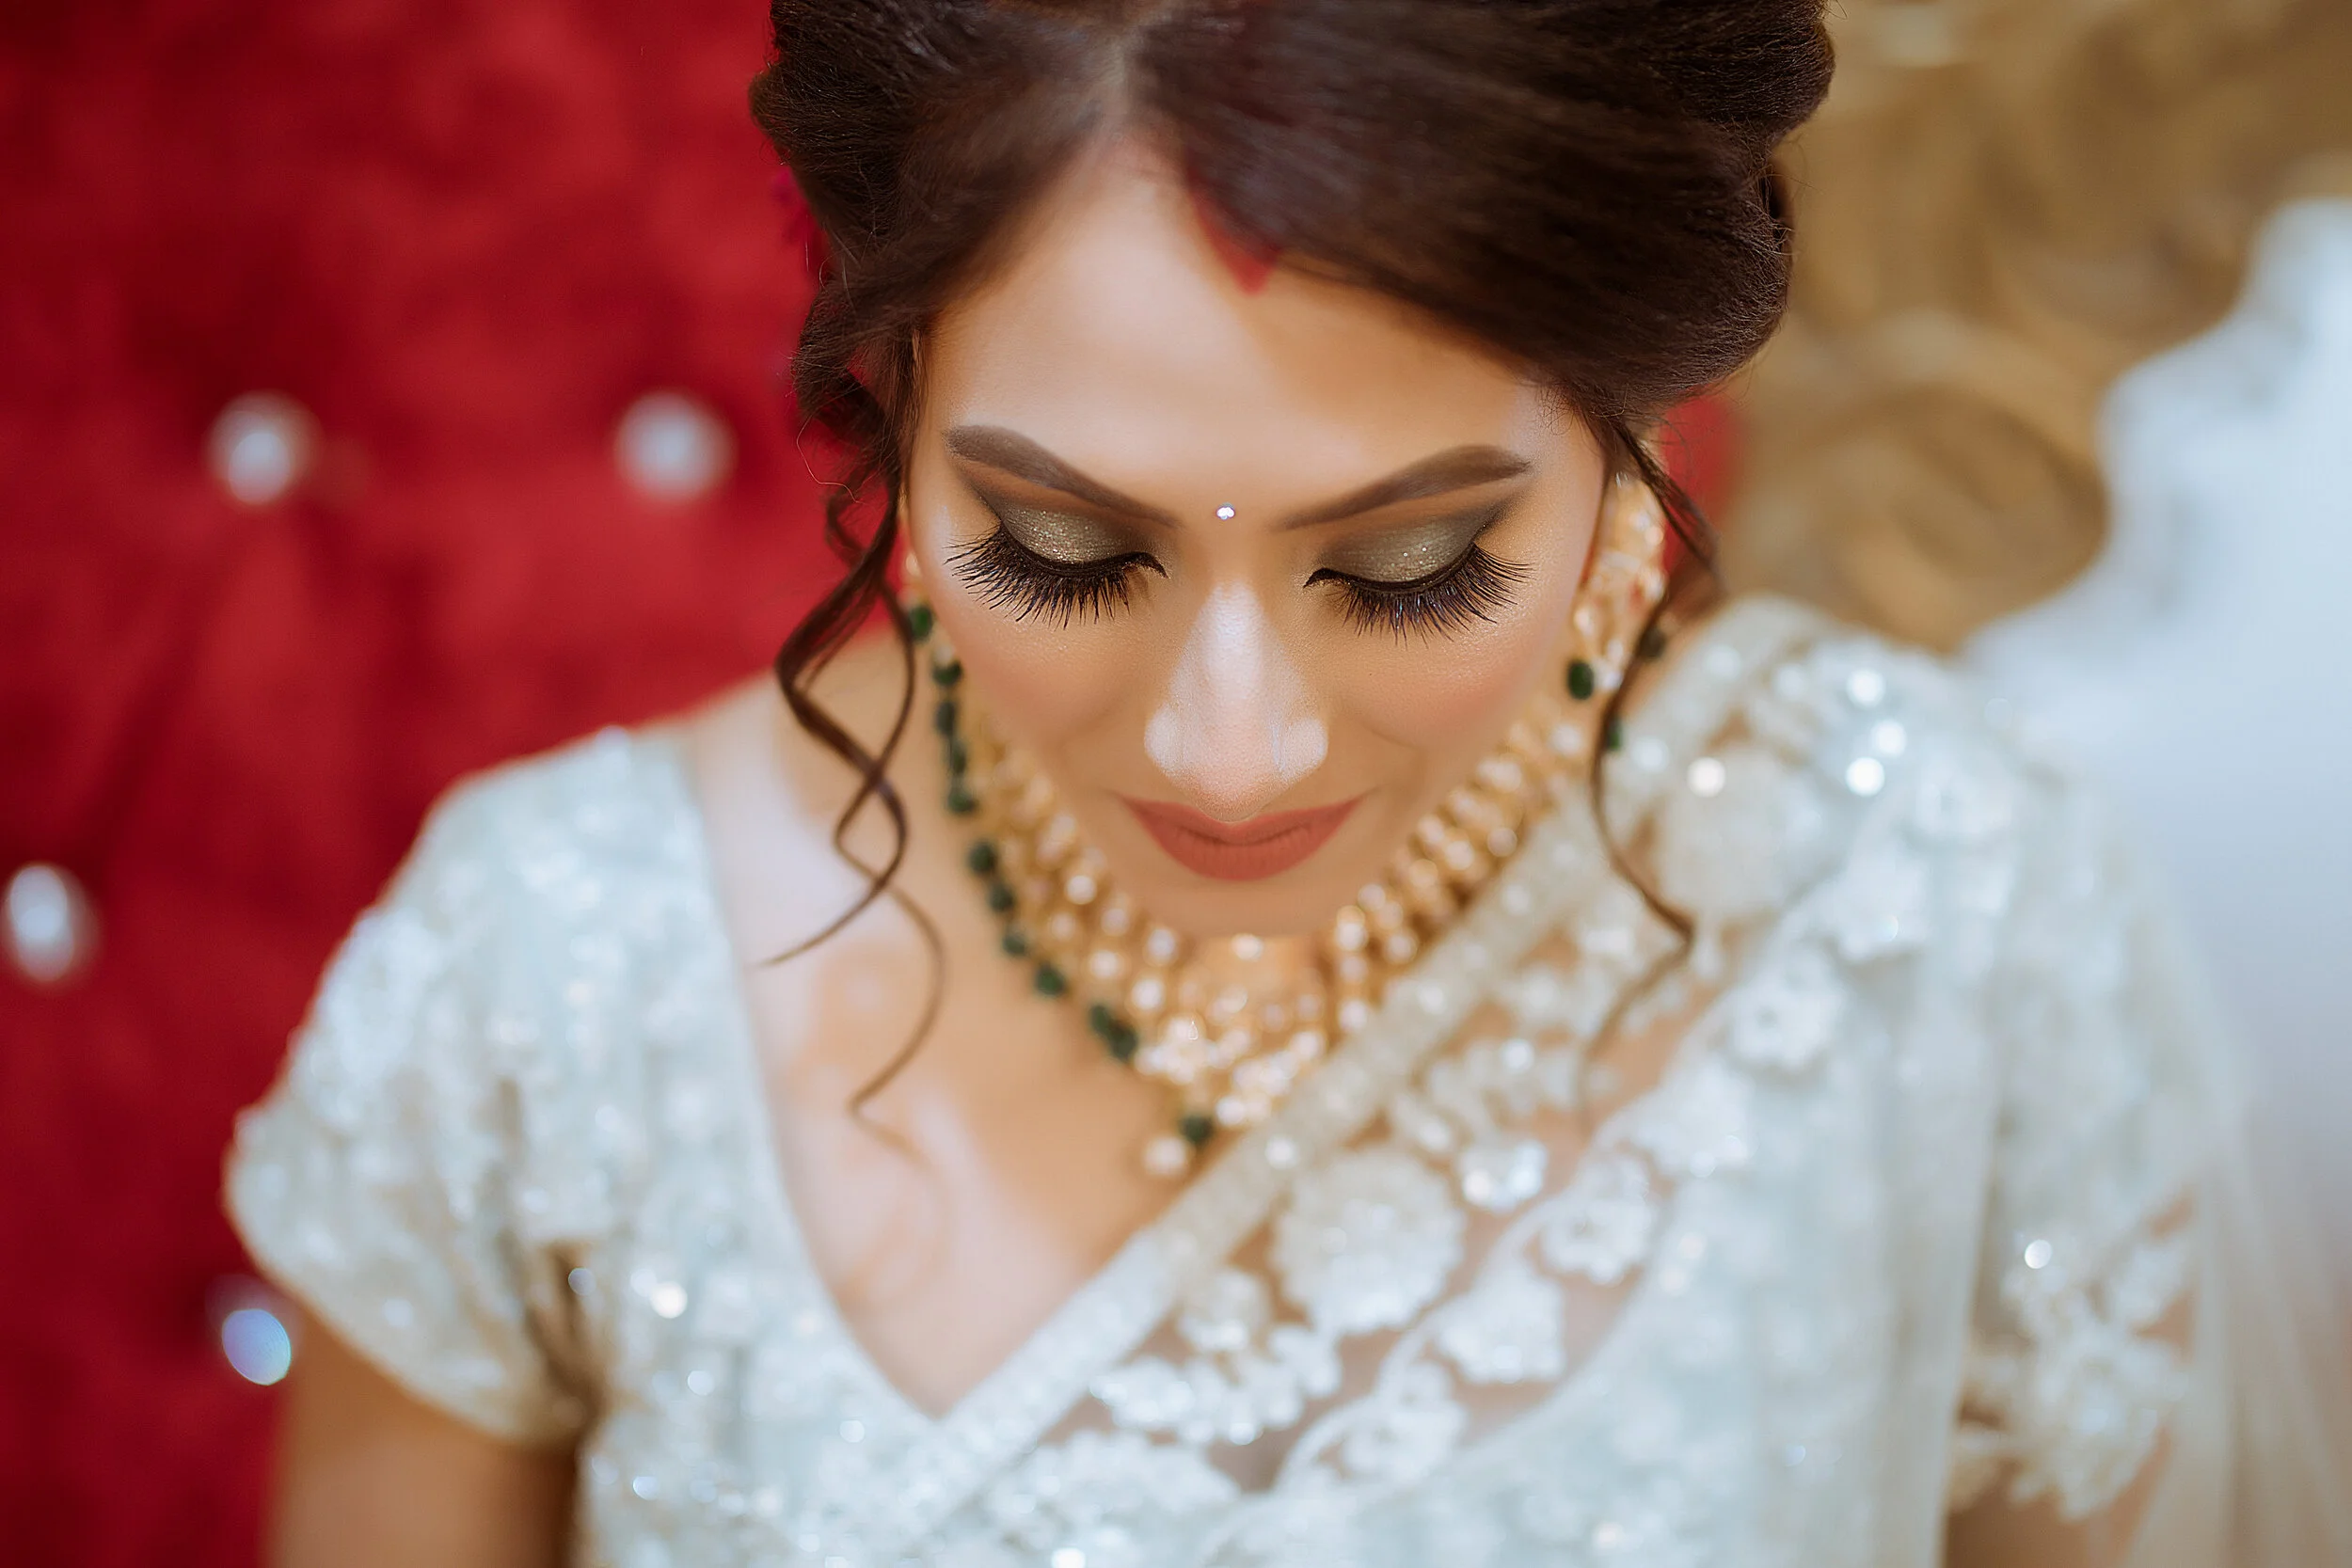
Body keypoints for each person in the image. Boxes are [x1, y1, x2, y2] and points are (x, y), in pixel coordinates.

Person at [221, 3, 2352, 1564]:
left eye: (1414, 567)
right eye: (1064, 551)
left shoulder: (1921, 896)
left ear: (1625, 443)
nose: (1226, 744)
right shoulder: (546, 974)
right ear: (888, 398)